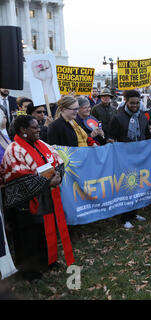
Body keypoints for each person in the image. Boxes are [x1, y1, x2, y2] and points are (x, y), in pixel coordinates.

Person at [1, 115, 74, 281]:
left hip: (45, 197)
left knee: (43, 232)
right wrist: (49, 181)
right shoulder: (14, 150)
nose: (39, 129)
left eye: (38, 126)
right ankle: (29, 271)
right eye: (34, 127)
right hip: (24, 202)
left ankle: (47, 260)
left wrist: (57, 177)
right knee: (28, 237)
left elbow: (58, 161)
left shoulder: (42, 144)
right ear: (23, 130)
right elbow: (21, 179)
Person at [108, 90, 151, 229]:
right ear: (126, 101)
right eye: (132, 103)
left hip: (139, 158)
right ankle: (125, 218)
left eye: (137, 103)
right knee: (127, 186)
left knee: (138, 186)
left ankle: (134, 213)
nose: (135, 105)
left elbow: (147, 135)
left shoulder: (143, 117)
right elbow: (110, 136)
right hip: (124, 158)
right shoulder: (118, 118)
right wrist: (110, 140)